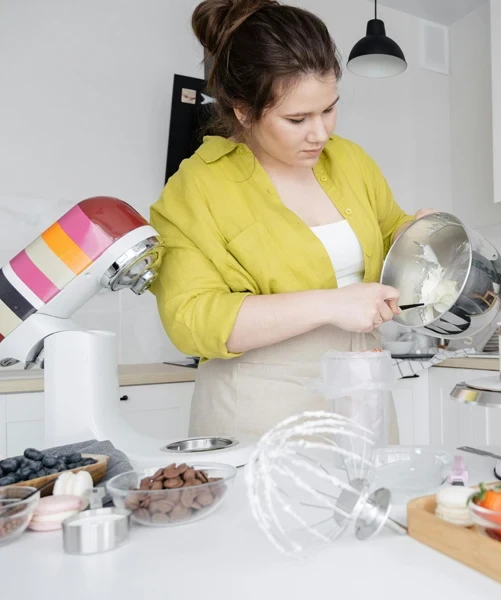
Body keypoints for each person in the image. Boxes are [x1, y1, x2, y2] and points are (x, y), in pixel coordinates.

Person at [149, 0, 435, 440]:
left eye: (328, 109)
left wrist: (418, 233)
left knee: (373, 505)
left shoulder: (350, 160)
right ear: (243, 111)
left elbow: (388, 231)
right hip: (261, 408)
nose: (320, 133)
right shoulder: (197, 187)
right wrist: (330, 304)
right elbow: (191, 319)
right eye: (297, 118)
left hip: (364, 391)